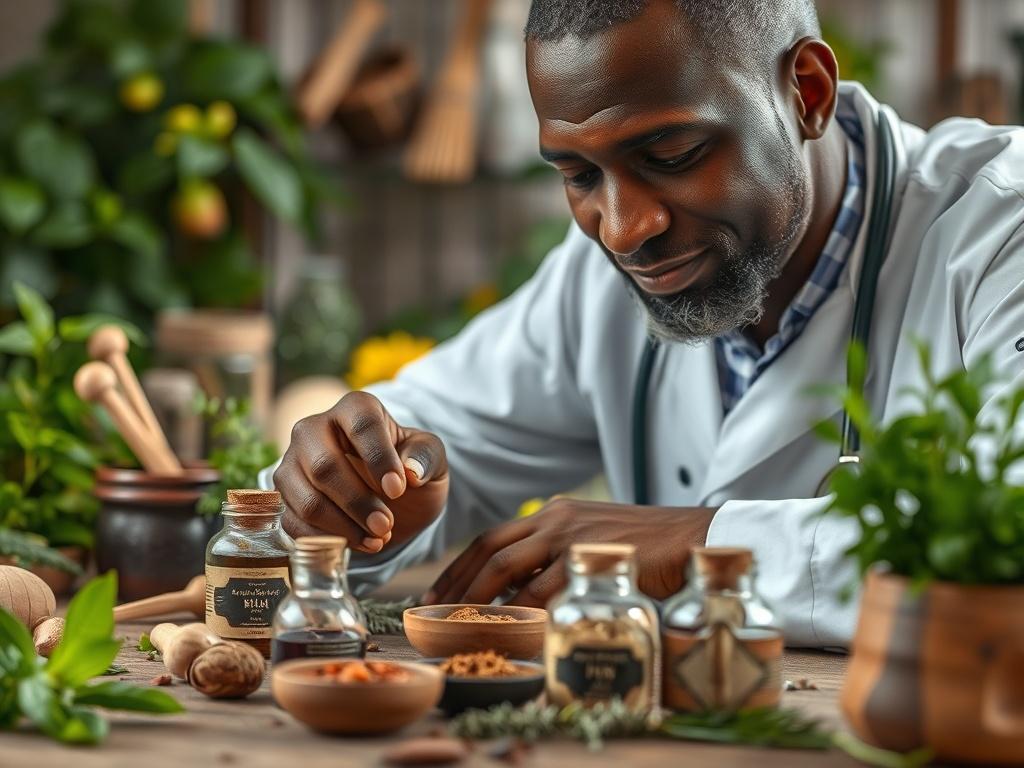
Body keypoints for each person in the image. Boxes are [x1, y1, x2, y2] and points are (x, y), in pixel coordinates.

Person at [263, 0, 1024, 646]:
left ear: (807, 92)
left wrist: (702, 542)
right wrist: (366, 487)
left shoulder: (1000, 230)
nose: (624, 229)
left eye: (673, 153)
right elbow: (439, 435)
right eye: (578, 175)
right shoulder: (604, 271)